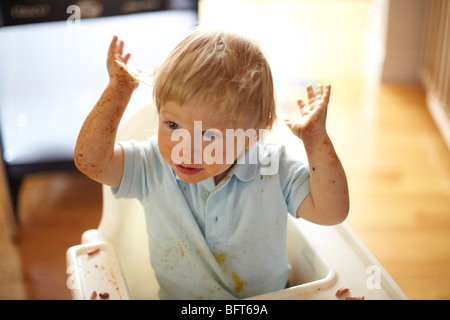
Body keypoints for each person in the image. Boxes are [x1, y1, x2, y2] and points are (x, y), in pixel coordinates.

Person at [74, 29, 349, 299]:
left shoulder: (271, 167)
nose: (186, 150)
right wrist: (118, 91)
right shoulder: (151, 165)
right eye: (172, 125)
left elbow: (330, 212)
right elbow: (92, 162)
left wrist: (316, 142)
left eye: (209, 135)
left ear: (253, 133)